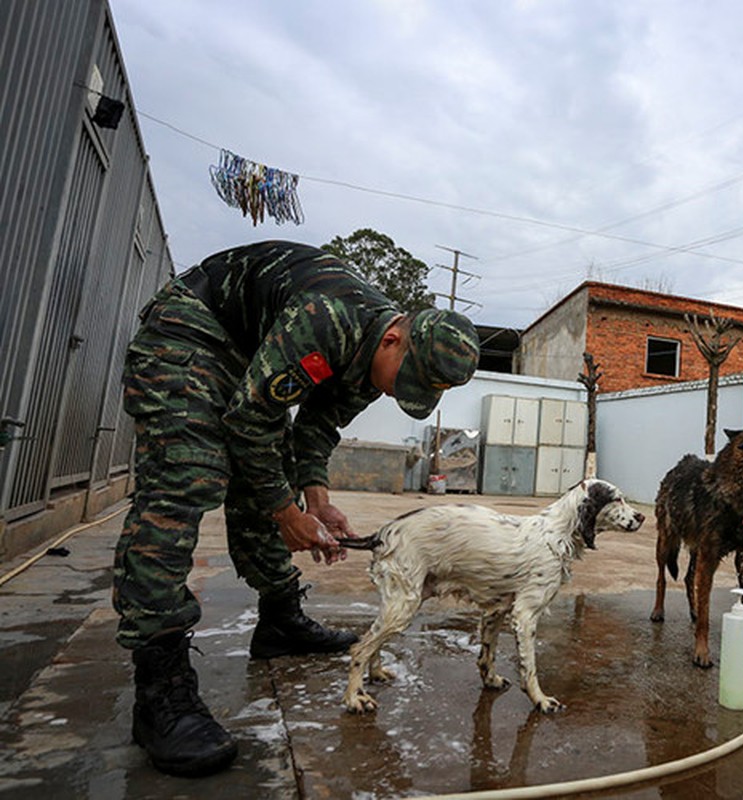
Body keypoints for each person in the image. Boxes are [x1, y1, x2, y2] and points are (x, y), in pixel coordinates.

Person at [113, 240, 480, 777]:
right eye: (405, 379)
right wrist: (286, 514)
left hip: (251, 352)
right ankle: (159, 685)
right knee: (188, 474)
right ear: (395, 336)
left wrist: (317, 501)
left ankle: (280, 621)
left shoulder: (378, 359)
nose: (398, 392)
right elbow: (250, 420)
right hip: (193, 331)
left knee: (266, 472)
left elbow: (315, 426)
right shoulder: (328, 321)